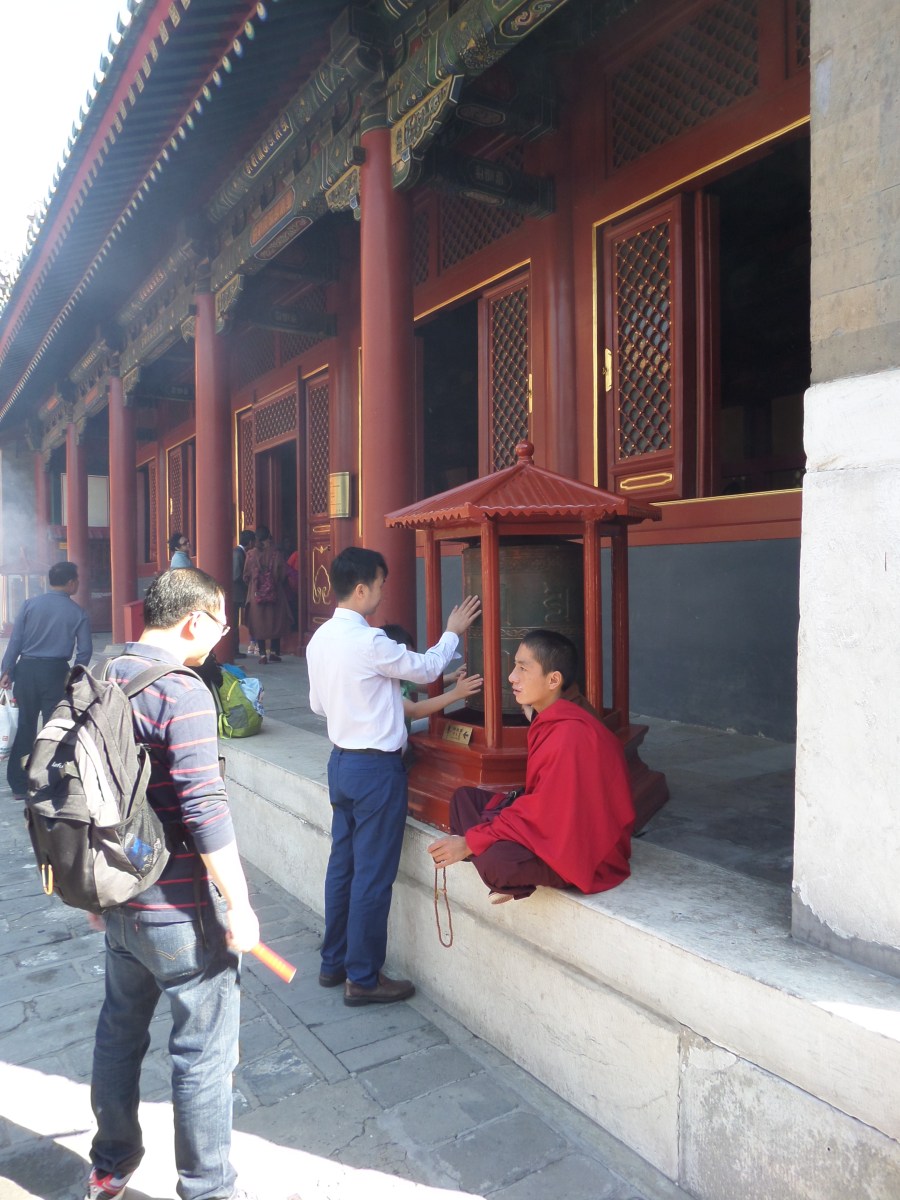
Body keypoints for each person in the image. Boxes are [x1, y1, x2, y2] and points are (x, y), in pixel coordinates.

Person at [86, 568, 259, 1200]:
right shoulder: (181, 691)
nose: (224, 634)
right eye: (220, 622)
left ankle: (110, 1164)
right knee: (203, 1053)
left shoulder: (103, 673)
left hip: (118, 897)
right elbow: (204, 806)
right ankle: (208, 1188)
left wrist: (93, 891)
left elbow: (85, 795)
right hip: (181, 907)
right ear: (193, 621)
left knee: (119, 1030)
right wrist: (240, 904)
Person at [306, 547, 481, 1005]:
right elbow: (427, 668)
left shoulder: (319, 639)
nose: (383, 593)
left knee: (342, 866)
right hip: (375, 771)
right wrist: (452, 632)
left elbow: (318, 706)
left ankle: (333, 962)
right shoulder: (370, 642)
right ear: (362, 588)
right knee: (372, 874)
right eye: (381, 585)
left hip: (341, 762)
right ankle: (363, 978)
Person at [427, 629, 634, 904]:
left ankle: (502, 872)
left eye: (523, 669)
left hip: (582, 848)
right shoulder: (555, 713)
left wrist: (470, 843)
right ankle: (492, 857)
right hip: (552, 820)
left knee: (498, 863)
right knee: (464, 799)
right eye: (515, 666)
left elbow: (545, 813)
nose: (512, 677)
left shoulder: (570, 735)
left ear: (553, 680)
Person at [0, 560, 92, 799]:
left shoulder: (30, 604)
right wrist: (75, 676)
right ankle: (49, 781)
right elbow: (85, 651)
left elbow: (16, 641)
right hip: (56, 672)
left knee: (25, 725)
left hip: (26, 671)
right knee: (55, 727)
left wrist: (6, 671)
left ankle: (19, 785)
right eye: (77, 580)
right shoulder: (77, 612)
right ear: (71, 582)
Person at [380, 624, 483, 728]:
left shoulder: (401, 677)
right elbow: (415, 710)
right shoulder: (383, 687)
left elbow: (426, 687)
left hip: (405, 730)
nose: (410, 663)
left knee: (438, 724)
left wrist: (452, 677)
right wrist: (456, 694)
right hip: (397, 737)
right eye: (406, 658)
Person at [242, 525, 291, 663]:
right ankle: (274, 651)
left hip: (256, 593)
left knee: (259, 622)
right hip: (275, 592)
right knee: (275, 621)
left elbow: (246, 575)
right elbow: (282, 574)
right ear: (269, 536)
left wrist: (255, 584)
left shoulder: (251, 554)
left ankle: (262, 654)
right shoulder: (276, 553)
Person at [231, 530, 255, 657]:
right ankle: (234, 650)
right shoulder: (238, 553)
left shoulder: (239, 552)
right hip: (236, 593)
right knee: (234, 621)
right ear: (250, 542)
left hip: (237, 593)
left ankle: (235, 649)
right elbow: (236, 575)